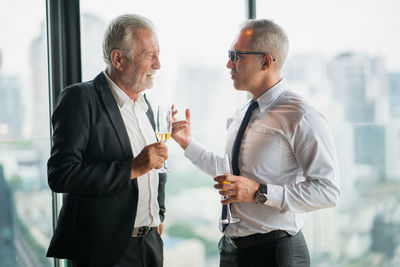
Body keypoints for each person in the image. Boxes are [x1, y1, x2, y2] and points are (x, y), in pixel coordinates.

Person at [172, 19, 340, 267]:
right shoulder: (242, 111)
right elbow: (233, 172)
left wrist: (260, 193)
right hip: (232, 251)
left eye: (236, 56)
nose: (229, 64)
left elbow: (328, 191)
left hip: (276, 253)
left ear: (266, 61)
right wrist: (187, 144)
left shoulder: (301, 114)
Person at [46, 14, 167, 267]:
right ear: (118, 59)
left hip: (150, 243)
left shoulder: (145, 106)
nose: (158, 64)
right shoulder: (80, 99)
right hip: (104, 251)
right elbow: (61, 174)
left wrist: (158, 215)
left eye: (158, 54)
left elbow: (157, 167)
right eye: (149, 55)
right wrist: (132, 168)